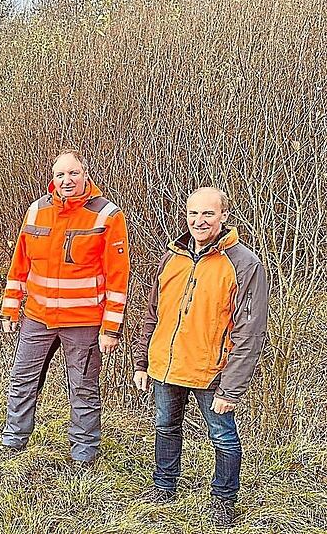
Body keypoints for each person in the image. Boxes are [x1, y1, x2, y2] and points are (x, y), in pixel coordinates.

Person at [134, 187, 268, 528]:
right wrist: (141, 361)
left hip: (212, 371)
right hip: (167, 365)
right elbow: (154, 313)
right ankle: (163, 487)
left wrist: (231, 388)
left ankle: (223, 500)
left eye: (208, 214)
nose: (199, 221)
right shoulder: (172, 256)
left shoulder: (244, 263)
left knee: (223, 436)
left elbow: (250, 331)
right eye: (193, 213)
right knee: (165, 426)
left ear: (224, 216)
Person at [0, 149, 130, 466]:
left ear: (86, 174)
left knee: (83, 389)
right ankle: (13, 442)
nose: (67, 180)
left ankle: (84, 454)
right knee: (21, 380)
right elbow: (20, 264)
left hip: (83, 323)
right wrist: (11, 307)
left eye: (73, 173)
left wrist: (111, 329)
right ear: (52, 178)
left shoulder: (107, 216)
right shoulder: (36, 211)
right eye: (60, 174)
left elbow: (118, 277)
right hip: (37, 318)